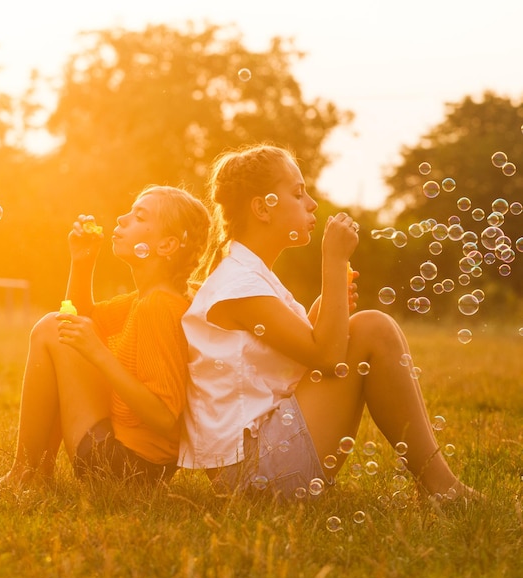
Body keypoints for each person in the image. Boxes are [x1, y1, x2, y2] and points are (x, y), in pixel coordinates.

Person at [179, 143, 477, 503]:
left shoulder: (251, 276)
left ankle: (438, 483)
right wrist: (334, 262)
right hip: (253, 471)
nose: (312, 204)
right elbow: (327, 357)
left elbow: (296, 352)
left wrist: (321, 313)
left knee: (371, 327)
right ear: (262, 208)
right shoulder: (240, 285)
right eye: (297, 193)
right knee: (373, 328)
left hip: (260, 459)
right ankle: (442, 487)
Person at [0, 185, 210, 490]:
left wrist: (99, 355)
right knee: (56, 326)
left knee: (50, 326)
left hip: (126, 467)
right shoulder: (145, 299)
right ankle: (34, 473)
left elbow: (164, 418)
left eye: (139, 216)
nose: (122, 218)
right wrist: (83, 260)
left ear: (167, 245)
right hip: (133, 462)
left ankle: (25, 473)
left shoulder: (159, 306)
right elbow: (78, 319)